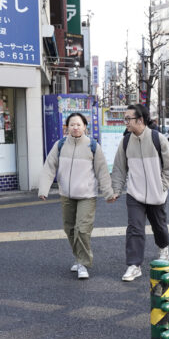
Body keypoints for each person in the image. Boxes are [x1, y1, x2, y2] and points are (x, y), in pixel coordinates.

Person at [38, 113, 113, 280]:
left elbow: (102, 171)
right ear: (67, 127)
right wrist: (43, 189)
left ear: (85, 127)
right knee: (70, 229)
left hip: (87, 195)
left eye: (79, 124)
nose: (75, 127)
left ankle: (83, 263)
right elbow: (49, 167)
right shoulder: (60, 145)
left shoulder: (92, 146)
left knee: (82, 230)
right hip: (66, 194)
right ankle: (79, 258)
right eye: (72, 124)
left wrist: (108, 193)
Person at [108, 104, 169, 282]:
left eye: (128, 119)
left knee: (159, 226)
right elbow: (119, 168)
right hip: (135, 194)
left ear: (140, 120)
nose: (125, 122)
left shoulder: (158, 139)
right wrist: (116, 190)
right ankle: (134, 265)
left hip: (156, 193)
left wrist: (162, 186)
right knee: (134, 228)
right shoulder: (125, 142)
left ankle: (163, 248)